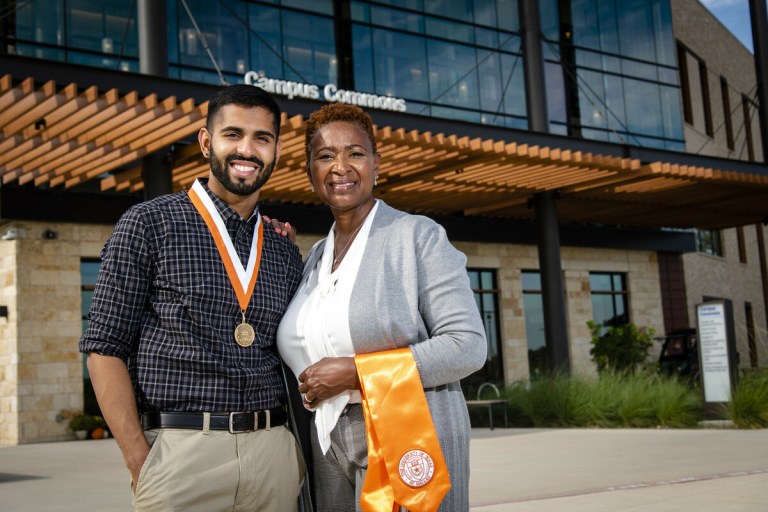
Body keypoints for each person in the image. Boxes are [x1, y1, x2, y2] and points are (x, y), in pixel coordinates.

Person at [80, 84, 306, 512]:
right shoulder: (148, 224)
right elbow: (103, 349)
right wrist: (139, 460)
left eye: (262, 138)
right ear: (206, 142)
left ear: (276, 151)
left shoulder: (282, 248)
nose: (247, 149)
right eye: (233, 134)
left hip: (272, 454)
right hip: (182, 456)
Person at [276, 103, 487, 511]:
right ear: (310, 172)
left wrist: (356, 372)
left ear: (377, 164)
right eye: (325, 156)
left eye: (355, 153)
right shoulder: (314, 257)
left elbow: (467, 345)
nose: (340, 167)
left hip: (408, 431)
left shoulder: (418, 236)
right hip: (324, 442)